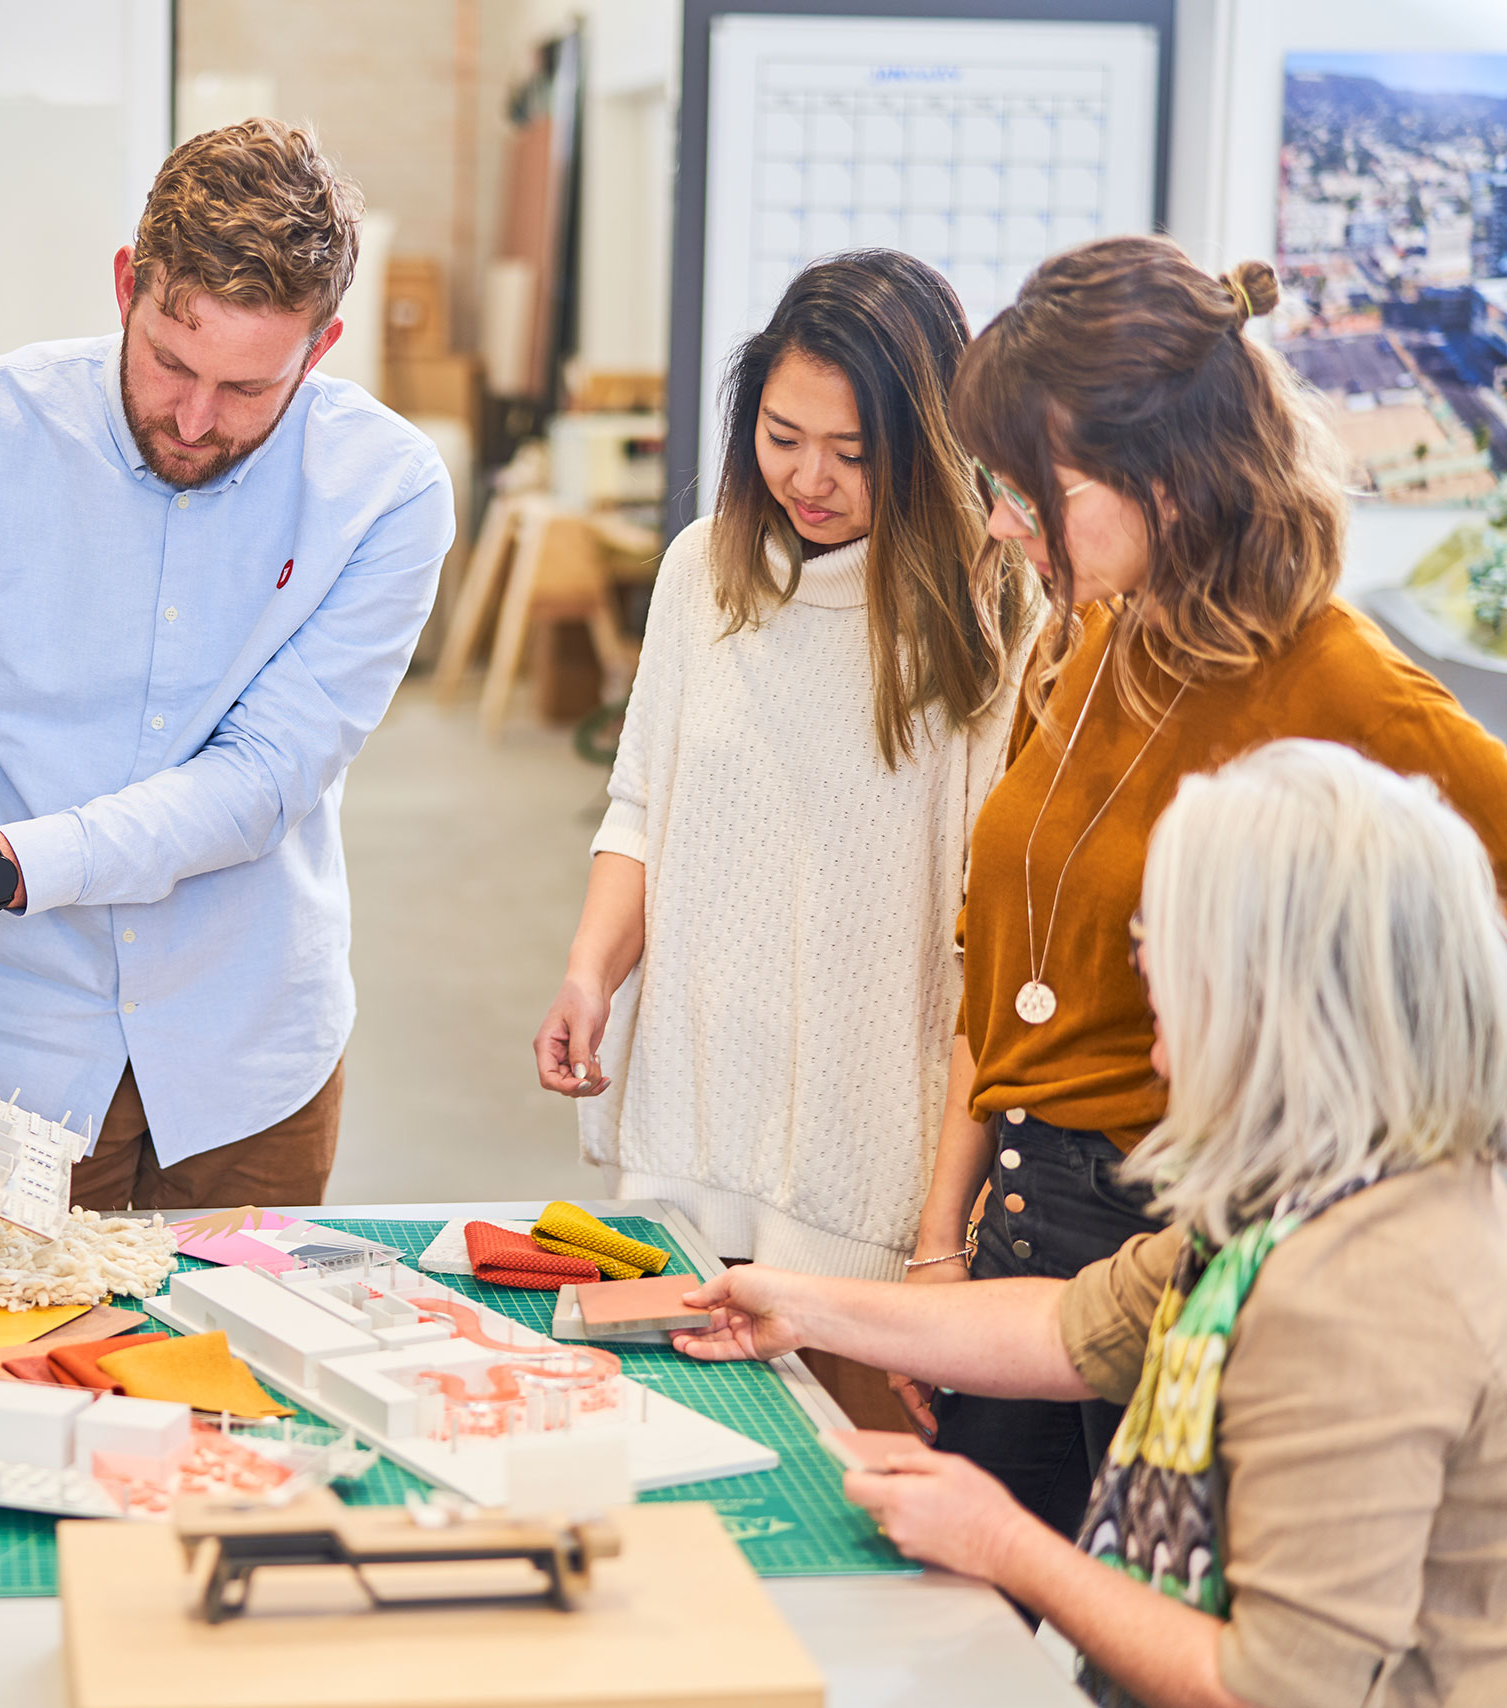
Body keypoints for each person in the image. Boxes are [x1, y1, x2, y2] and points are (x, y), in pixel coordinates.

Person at [0, 120, 452, 1211]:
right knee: (6, 1374)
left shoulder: (385, 491)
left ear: (321, 347)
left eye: (248, 389)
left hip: (249, 1059)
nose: (195, 419)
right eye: (170, 362)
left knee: (230, 1374)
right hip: (14, 1063)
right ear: (125, 287)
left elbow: (256, 784)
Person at [672, 740, 1507, 1708]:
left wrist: (1003, 1542)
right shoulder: (1324, 1193)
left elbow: (1271, 1689)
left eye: (1162, 942)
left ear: (1271, 996)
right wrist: (803, 1308)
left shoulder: (1363, 1286)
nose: (1138, 966)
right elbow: (1076, 1325)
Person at [902, 236, 1507, 1544]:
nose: (1004, 523)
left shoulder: (1350, 693)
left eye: (1030, 490)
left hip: (1188, 1258)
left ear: (1162, 476)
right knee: (981, 1635)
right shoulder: (1089, 623)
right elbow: (990, 959)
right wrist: (938, 1243)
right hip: (1017, 1232)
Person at [533, 252, 1031, 1417]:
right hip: (695, 1132)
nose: (810, 478)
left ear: (926, 440)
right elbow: (642, 805)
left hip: (868, 1176)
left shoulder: (987, 614)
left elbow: (983, 944)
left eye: (853, 454)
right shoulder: (700, 574)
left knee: (846, 1512)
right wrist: (587, 972)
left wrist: (938, 1226)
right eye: (780, 434)